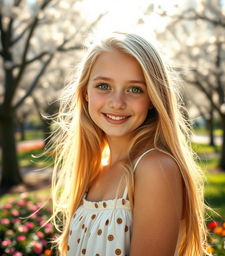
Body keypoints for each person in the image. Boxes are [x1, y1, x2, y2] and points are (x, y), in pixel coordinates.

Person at [50, 32, 210, 256]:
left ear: (153, 98)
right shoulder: (97, 169)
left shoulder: (154, 168)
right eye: (103, 86)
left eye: (135, 89)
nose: (117, 103)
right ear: (85, 92)